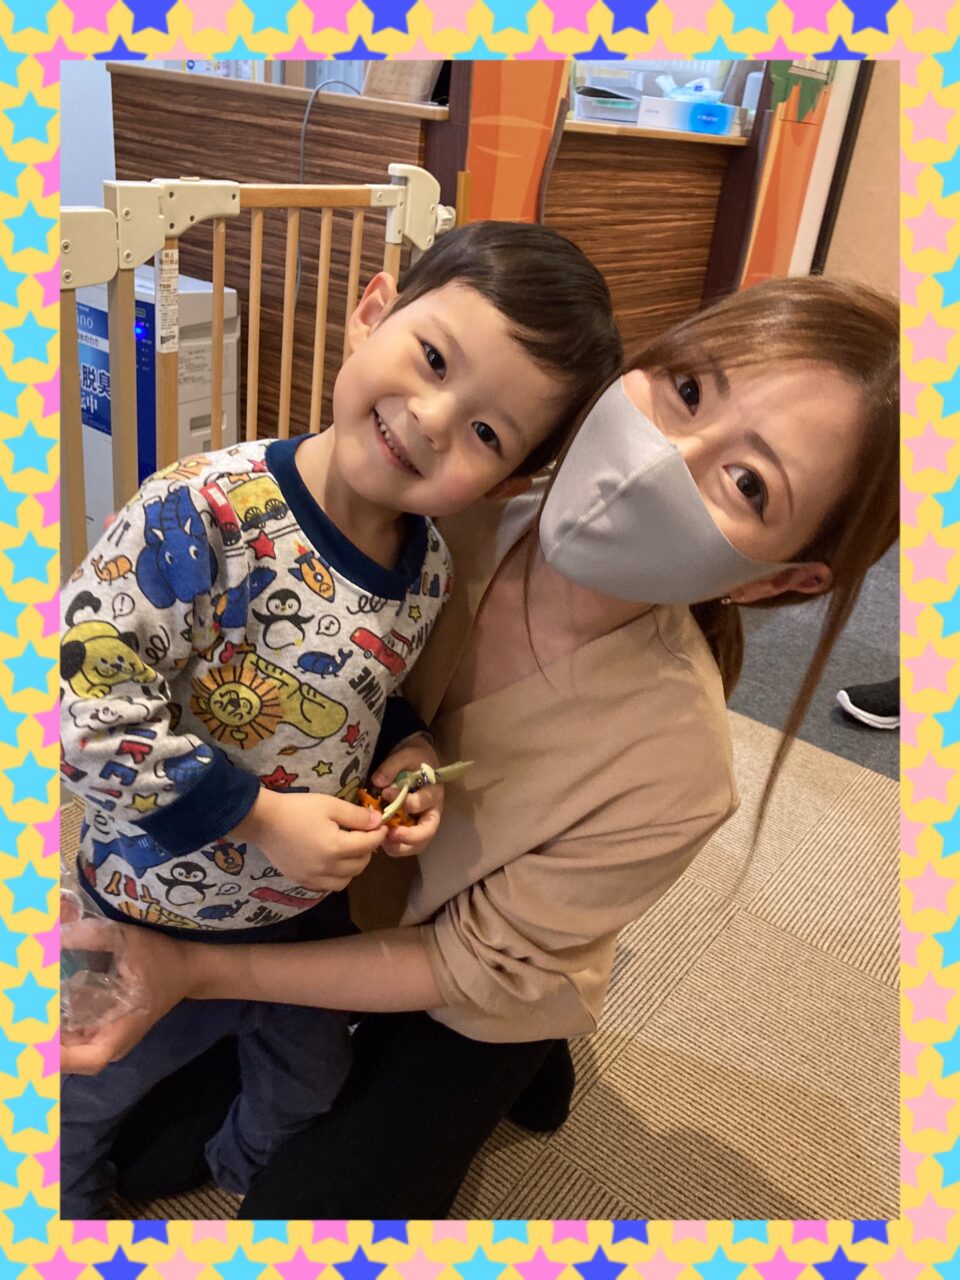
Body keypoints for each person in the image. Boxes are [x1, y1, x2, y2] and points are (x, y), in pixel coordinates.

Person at [62, 274, 899, 1220]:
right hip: (306, 900)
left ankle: (532, 1037)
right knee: (142, 1149)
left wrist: (204, 973)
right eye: (689, 389)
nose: (666, 457)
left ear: (777, 581)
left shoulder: (678, 768)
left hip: (468, 970)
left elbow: (469, 963)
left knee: (306, 1210)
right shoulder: (431, 516)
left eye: (748, 484)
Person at [58, 220, 623, 1218]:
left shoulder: (428, 566)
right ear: (374, 310)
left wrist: (407, 750)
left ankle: (240, 1173)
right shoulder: (201, 512)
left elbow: (371, 689)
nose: (434, 419)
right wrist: (262, 816)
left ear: (508, 482)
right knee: (86, 1084)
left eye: (487, 434)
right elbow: (82, 711)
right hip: (150, 900)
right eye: (434, 358)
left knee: (308, 1085)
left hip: (302, 921)